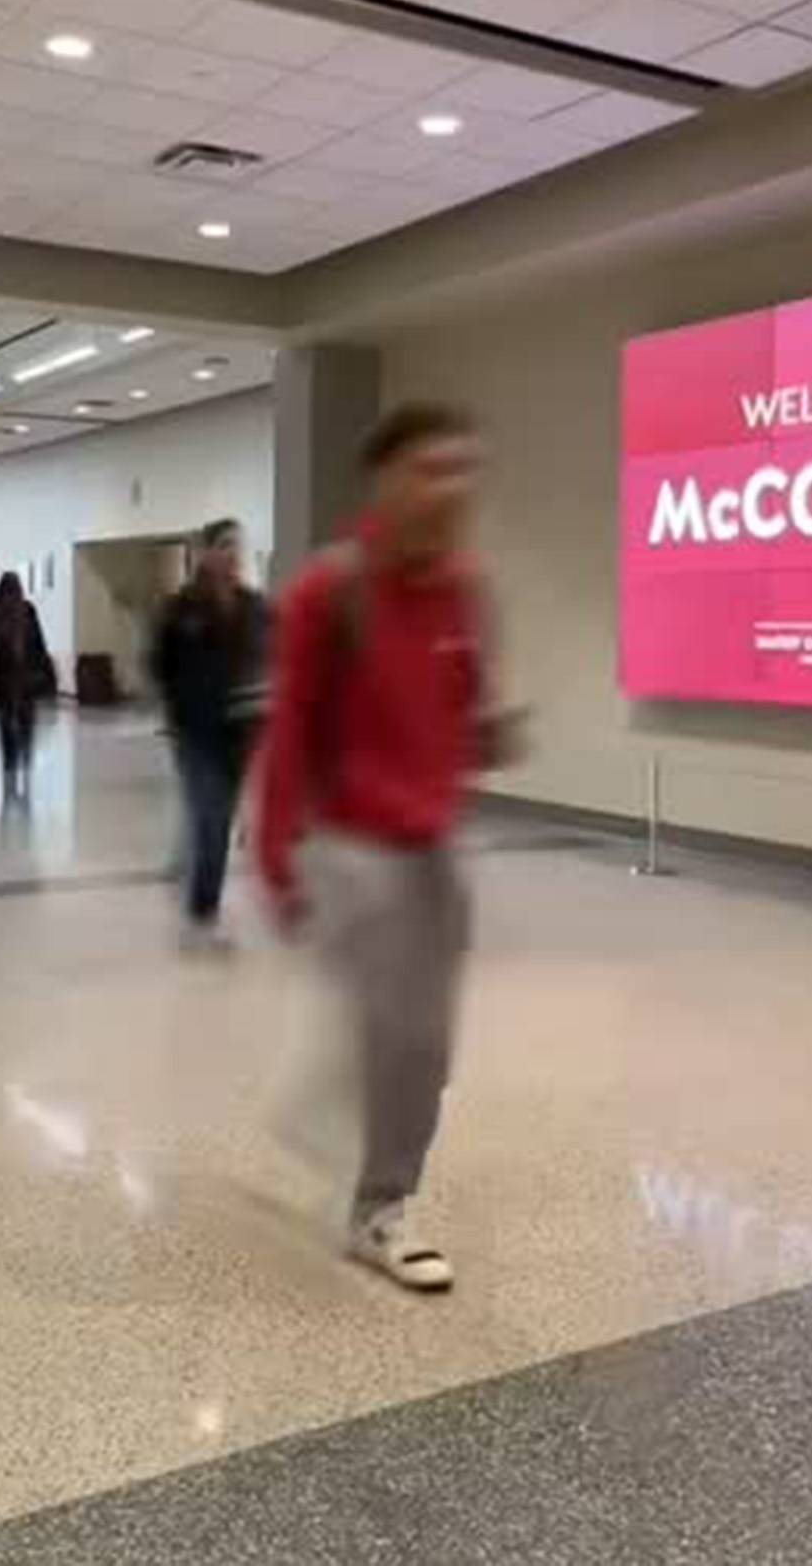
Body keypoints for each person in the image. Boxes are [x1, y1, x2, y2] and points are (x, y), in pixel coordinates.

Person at [255, 404, 519, 1294]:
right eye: (434, 469)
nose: (453, 489)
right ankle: (379, 1210)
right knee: (398, 1029)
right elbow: (290, 731)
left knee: (428, 1044)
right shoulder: (330, 592)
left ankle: (328, 1122)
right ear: (389, 479)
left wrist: (485, 732)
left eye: (464, 471)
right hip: (350, 844)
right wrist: (275, 858)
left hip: (433, 842)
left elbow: (466, 700)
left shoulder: (465, 588)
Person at [153, 518, 270, 954]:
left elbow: (272, 655)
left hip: (240, 731)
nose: (230, 555)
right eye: (222, 546)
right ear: (205, 552)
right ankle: (202, 915)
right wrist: (178, 707)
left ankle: (202, 905)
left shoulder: (255, 607)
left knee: (216, 822)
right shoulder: (184, 608)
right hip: (196, 733)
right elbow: (160, 663)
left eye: (236, 547)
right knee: (213, 821)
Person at [0, 571, 53, 799]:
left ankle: (17, 763)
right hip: (8, 677)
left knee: (21, 723)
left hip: (23, 677)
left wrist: (43, 669)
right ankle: (14, 765)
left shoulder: (25, 610)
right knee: (11, 724)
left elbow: (38, 642)